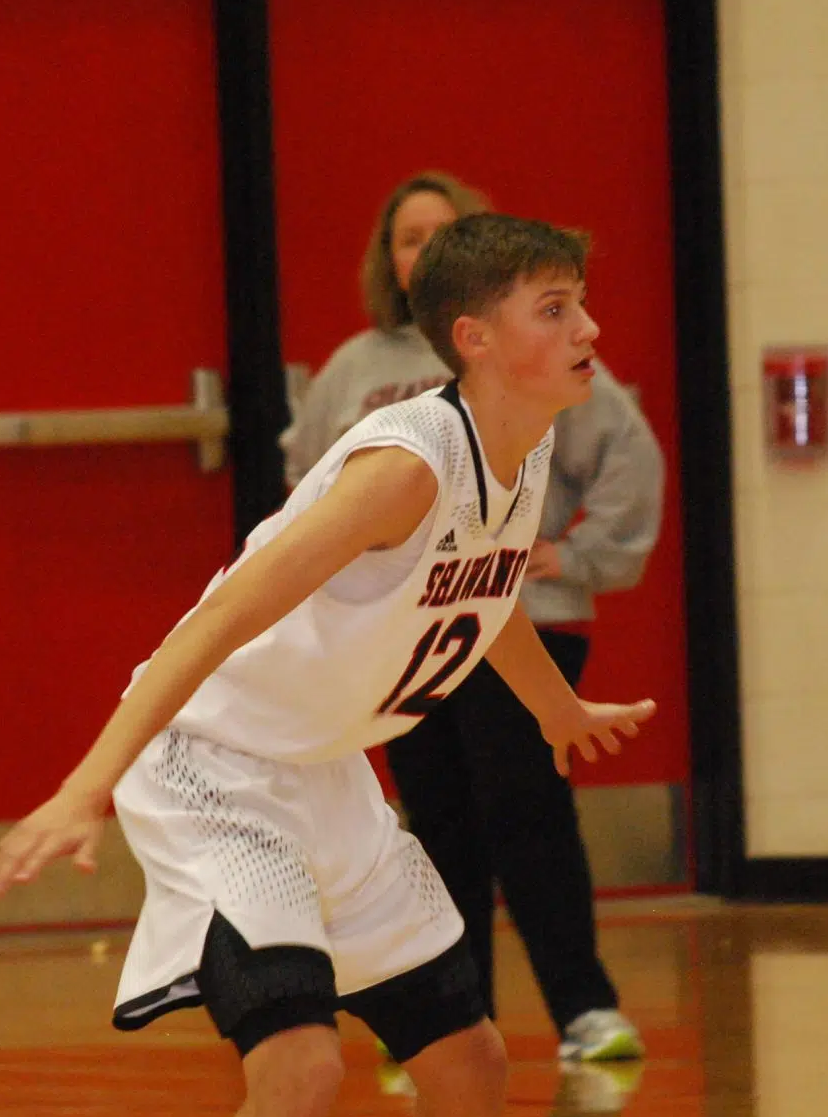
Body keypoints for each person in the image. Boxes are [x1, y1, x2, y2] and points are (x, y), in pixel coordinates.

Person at [0, 212, 648, 1117]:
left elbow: (483, 593)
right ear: (475, 339)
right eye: (555, 308)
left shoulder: (515, 454)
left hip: (324, 777)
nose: (587, 329)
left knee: (468, 1062)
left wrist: (553, 710)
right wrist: (88, 782)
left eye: (581, 302)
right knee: (296, 1071)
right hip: (215, 770)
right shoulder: (403, 467)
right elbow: (215, 615)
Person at [284, 171, 664, 1065]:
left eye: (442, 233)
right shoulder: (360, 373)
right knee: (435, 823)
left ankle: (583, 1007)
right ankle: (456, 1019)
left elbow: (628, 452)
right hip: (409, 636)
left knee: (526, 809)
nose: (424, 251)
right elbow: (305, 489)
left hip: (516, 615)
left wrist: (575, 554)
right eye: (407, 238)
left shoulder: (536, 366)